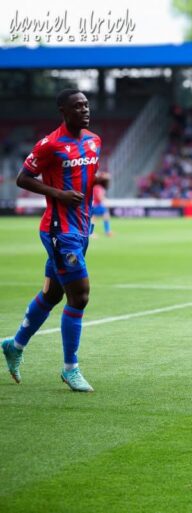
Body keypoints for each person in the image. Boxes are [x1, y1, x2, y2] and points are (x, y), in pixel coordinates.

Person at [2, 89, 110, 392]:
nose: (84, 110)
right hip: (58, 231)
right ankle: (70, 368)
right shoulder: (50, 144)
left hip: (81, 228)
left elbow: (85, 178)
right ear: (63, 111)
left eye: (87, 105)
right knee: (80, 296)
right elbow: (23, 178)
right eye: (77, 106)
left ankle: (15, 344)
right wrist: (59, 194)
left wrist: (99, 182)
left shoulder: (94, 141)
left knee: (51, 295)